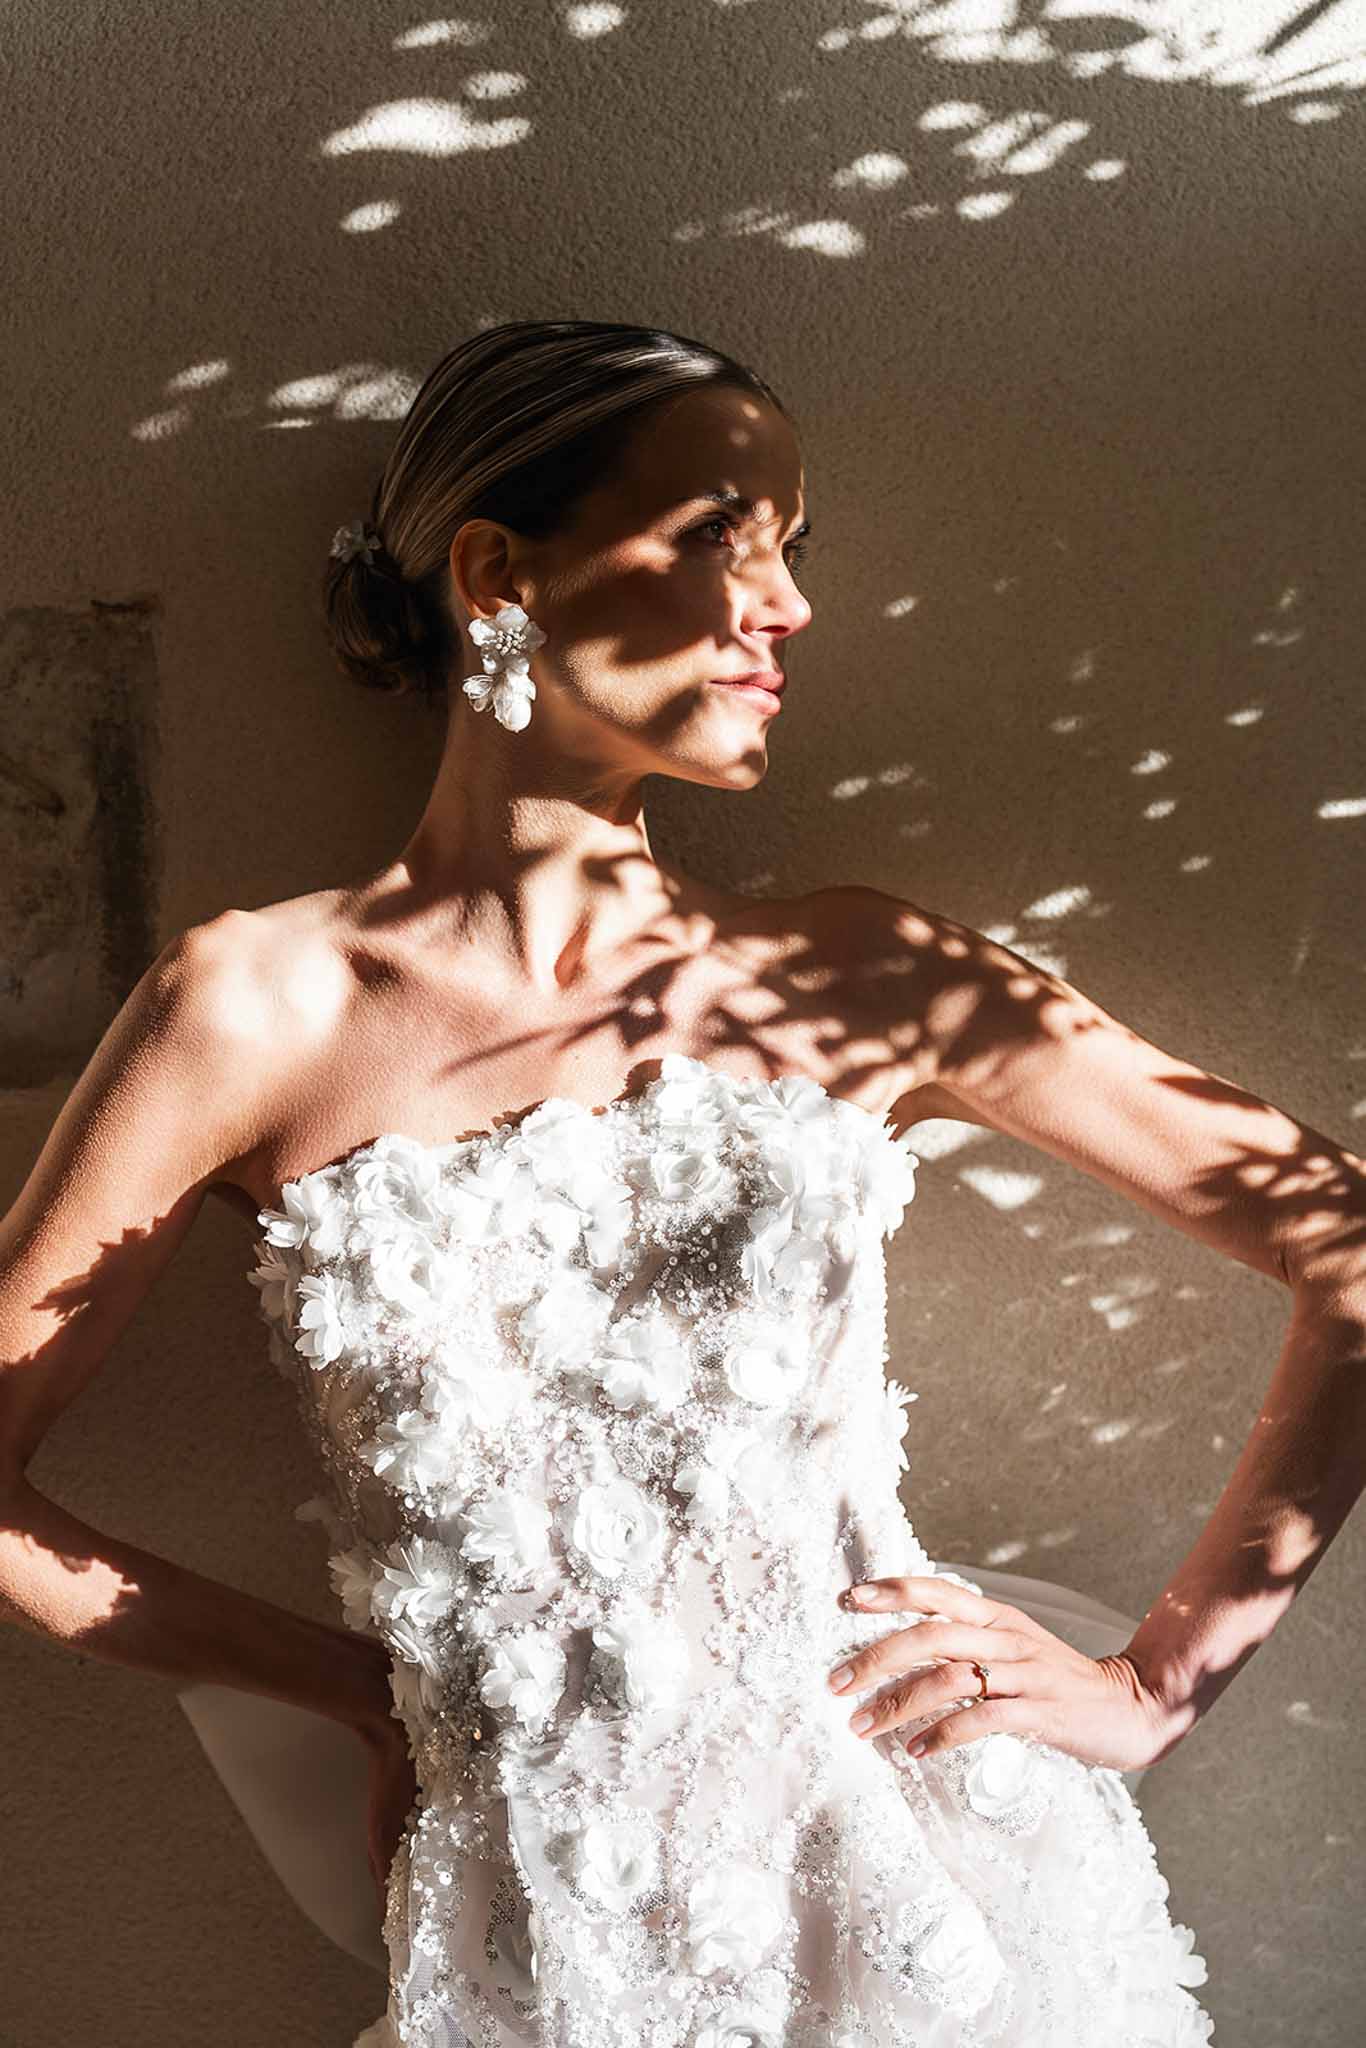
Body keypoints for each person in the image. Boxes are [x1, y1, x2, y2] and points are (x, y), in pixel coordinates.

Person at [2, 318, 1361, 2047]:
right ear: (497, 573)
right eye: (726, 538)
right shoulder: (254, 1009)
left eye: (794, 551)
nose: (786, 606)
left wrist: (1151, 1690)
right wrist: (367, 1695)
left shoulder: (867, 976)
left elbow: (1346, 1243)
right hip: (548, 1916)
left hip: (937, 1889)